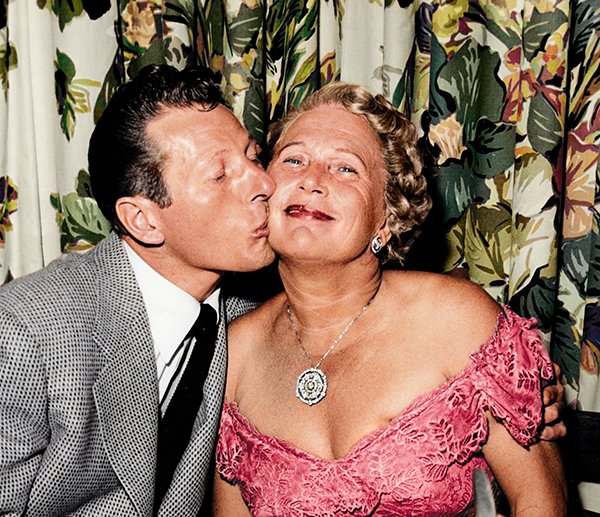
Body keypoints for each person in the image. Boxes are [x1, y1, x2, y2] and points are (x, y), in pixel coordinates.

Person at [0, 65, 275, 516]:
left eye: (253, 157)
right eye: (219, 176)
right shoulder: (17, 339)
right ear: (143, 220)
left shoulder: (254, 312)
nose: (265, 184)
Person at [213, 83, 568, 516]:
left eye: (345, 168)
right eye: (293, 160)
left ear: (387, 217)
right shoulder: (232, 356)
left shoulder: (458, 321)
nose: (311, 180)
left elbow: (540, 502)